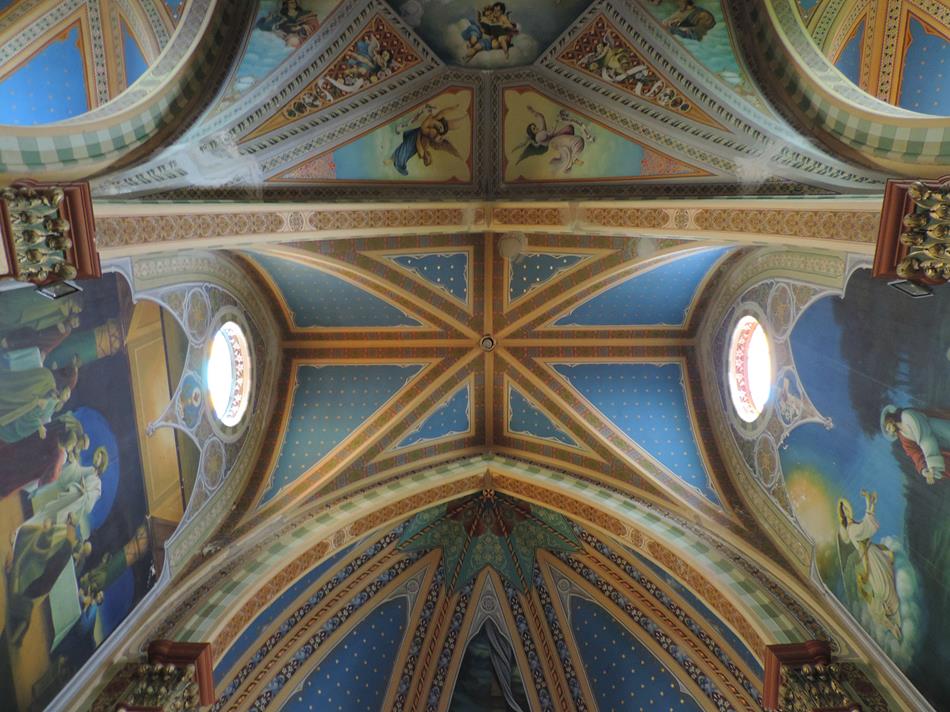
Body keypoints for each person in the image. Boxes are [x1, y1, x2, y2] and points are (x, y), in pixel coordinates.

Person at [5, 515, 91, 644]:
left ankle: (13, 631)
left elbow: (45, 546)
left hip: (41, 578)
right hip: (44, 582)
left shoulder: (65, 538)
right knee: (25, 602)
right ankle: (14, 632)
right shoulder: (68, 542)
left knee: (23, 599)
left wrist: (44, 531)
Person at [838, 491, 902, 640]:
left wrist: (872, 504)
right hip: (870, 558)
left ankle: (895, 618)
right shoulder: (852, 529)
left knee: (887, 582)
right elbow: (866, 528)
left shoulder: (854, 526)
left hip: (873, 554)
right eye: (845, 509)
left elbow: (867, 524)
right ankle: (892, 623)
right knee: (882, 587)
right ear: (843, 514)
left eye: (847, 507)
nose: (848, 510)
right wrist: (868, 503)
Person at [28, 446, 109, 529]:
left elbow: (89, 503)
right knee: (48, 510)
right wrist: (73, 462)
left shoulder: (97, 482)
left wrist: (82, 490)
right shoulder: (91, 470)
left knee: (52, 515)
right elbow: (78, 472)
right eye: (97, 456)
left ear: (102, 462)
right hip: (69, 495)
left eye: (99, 457)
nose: (96, 458)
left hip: (75, 502)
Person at [880, 405, 950, 484]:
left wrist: (932, 466)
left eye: (888, 428)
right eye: (888, 431)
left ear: (891, 420)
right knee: (940, 467)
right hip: (935, 446)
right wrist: (924, 469)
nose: (890, 432)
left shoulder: (907, 416)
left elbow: (925, 438)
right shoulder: (903, 436)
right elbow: (914, 453)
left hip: (939, 431)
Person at [0, 366, 69, 443]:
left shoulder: (47, 377)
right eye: (66, 395)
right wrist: (37, 403)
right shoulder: (47, 382)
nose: (55, 396)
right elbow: (27, 395)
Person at [390, 105, 464, 175]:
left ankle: (397, 159)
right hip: (421, 125)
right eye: (427, 159)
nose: (426, 159)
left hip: (417, 133)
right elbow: (442, 113)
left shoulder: (423, 151)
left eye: (425, 161)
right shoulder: (436, 122)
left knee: (405, 149)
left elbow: (418, 141)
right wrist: (453, 108)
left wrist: (419, 134)